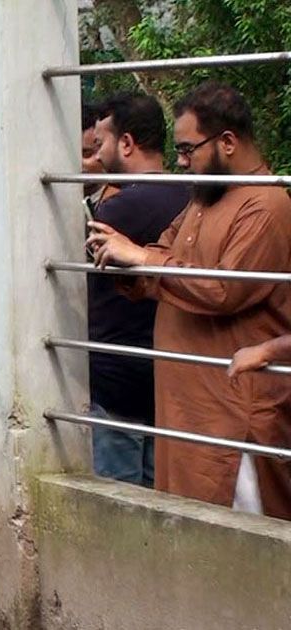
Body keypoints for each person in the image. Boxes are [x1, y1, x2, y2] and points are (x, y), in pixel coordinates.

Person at [87, 81, 291, 519]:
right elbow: (164, 249)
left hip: (233, 414)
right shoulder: (204, 196)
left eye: (187, 149)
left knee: (239, 539)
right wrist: (132, 259)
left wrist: (141, 257)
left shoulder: (268, 205)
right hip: (185, 409)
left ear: (228, 143)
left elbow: (222, 288)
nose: (179, 162)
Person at [85, 92, 189, 486]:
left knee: (115, 504)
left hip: (116, 382)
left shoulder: (115, 211)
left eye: (100, 146)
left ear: (125, 143)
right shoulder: (195, 199)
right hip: (168, 376)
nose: (96, 158)